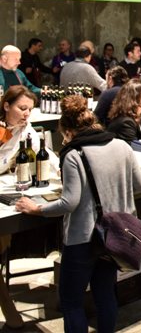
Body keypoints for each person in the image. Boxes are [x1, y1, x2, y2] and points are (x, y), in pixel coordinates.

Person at [15, 95, 141, 333]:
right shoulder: (121, 145)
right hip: (114, 235)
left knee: (72, 301)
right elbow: (140, 185)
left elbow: (69, 202)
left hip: (83, 239)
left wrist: (37, 209)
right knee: (105, 294)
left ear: (67, 131)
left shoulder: (74, 154)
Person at [0, 86, 47, 328]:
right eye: (22, 108)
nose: (27, 114)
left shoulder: (26, 128)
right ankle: (10, 313)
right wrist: (6, 135)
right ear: (6, 105)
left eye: (30, 109)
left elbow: (42, 152)